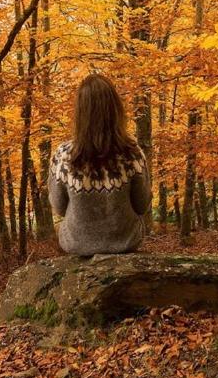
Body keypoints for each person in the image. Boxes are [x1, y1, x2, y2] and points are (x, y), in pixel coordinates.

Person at [48, 74, 151, 256]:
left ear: (80, 112)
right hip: (126, 242)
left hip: (76, 244)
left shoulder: (63, 156)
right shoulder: (132, 153)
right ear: (115, 110)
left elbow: (59, 207)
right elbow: (142, 205)